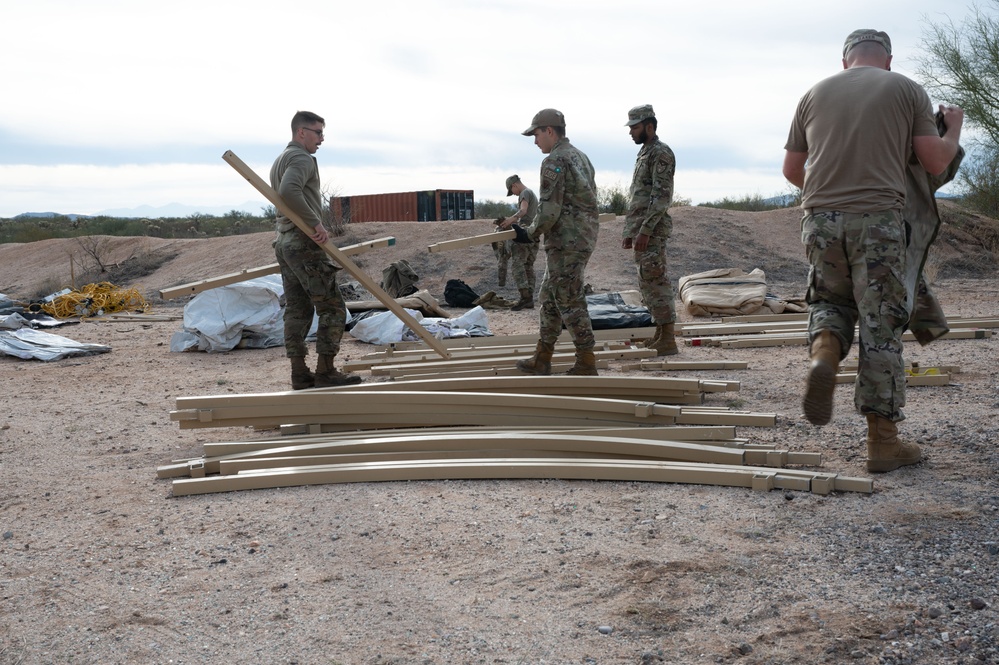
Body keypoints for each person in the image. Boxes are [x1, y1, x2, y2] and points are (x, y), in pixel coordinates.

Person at [782, 29, 963, 472]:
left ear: (845, 60)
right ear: (887, 59)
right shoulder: (905, 88)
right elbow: (936, 162)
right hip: (878, 220)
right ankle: (882, 443)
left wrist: (830, 201)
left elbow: (791, 170)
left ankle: (825, 353)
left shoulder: (813, 93)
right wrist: (953, 128)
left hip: (819, 218)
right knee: (880, 324)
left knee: (829, 300)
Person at [270, 110, 362, 390]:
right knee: (333, 308)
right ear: (301, 132)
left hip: (284, 241)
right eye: (318, 132)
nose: (322, 139)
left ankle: (300, 372)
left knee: (297, 309)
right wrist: (315, 223)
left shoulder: (281, 159)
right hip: (303, 241)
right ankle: (325, 371)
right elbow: (289, 191)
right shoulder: (301, 158)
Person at [514, 108, 600, 376]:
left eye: (536, 134)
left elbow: (549, 211)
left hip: (566, 242)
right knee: (549, 297)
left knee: (569, 299)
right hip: (581, 237)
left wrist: (528, 232)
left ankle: (586, 360)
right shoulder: (581, 157)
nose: (535, 140)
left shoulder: (554, 161)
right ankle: (543, 357)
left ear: (549, 131)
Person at [622, 104, 678, 356]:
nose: (631, 132)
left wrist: (644, 230)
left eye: (635, 127)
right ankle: (660, 332)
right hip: (643, 229)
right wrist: (629, 231)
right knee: (647, 282)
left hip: (653, 230)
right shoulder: (645, 152)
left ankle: (668, 338)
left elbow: (660, 196)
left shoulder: (661, 153)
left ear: (650, 126)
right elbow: (638, 196)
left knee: (656, 281)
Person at [498, 174, 541, 310]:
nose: (514, 194)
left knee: (518, 266)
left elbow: (523, 211)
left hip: (524, 234)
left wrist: (511, 220)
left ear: (514, 185)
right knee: (528, 266)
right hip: (534, 233)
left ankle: (525, 298)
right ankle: (529, 299)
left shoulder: (525, 193)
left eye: (512, 191)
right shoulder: (531, 193)